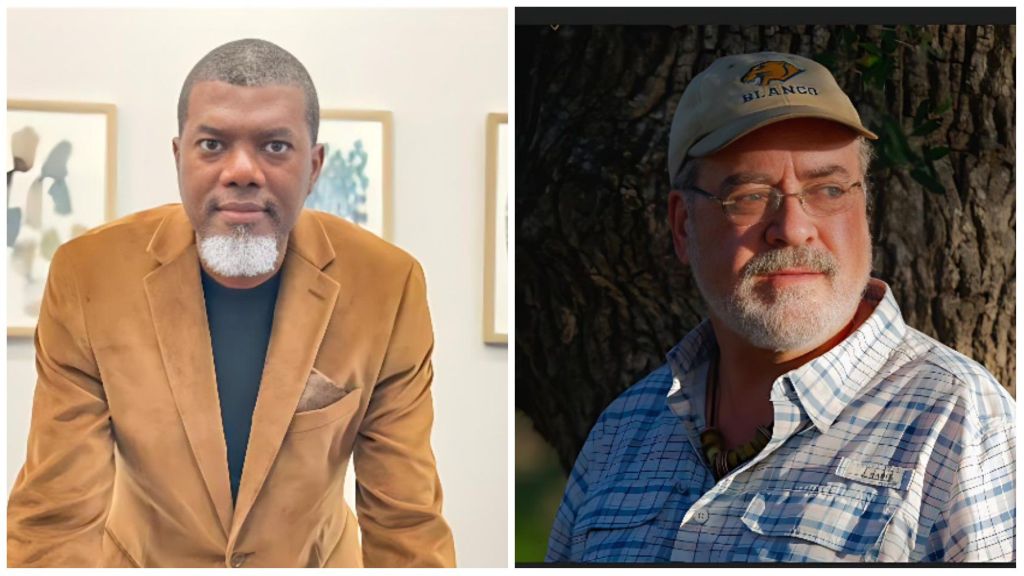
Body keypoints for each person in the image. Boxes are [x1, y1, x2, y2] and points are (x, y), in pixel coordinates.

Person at [546, 51, 1015, 563]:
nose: (792, 228)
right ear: (683, 226)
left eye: (829, 189)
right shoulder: (624, 429)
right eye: (748, 195)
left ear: (864, 208)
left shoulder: (961, 422)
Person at [7, 38, 455, 568]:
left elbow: (404, 523)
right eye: (213, 144)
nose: (242, 170)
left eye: (275, 146)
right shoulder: (88, 277)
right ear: (179, 157)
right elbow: (56, 516)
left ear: (314, 166)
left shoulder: (388, 286)